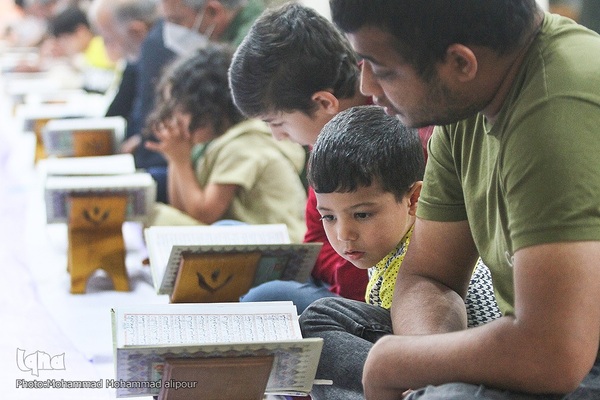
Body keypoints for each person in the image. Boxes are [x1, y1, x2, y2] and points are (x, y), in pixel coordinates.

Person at [300, 0, 600, 399]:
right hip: (527, 342)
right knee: (321, 325)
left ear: (460, 63)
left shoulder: (555, 111)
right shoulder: (466, 107)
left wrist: (405, 365)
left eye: (382, 68)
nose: (367, 86)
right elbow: (429, 275)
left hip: (573, 361)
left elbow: (553, 354)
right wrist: (423, 366)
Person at [229, 3, 371, 309]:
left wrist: (330, 267)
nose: (277, 136)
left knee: (264, 297)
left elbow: (365, 272)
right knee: (227, 235)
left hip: (367, 293)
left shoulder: (380, 138)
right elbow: (316, 235)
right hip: (337, 274)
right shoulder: (323, 135)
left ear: (324, 103)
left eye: (278, 123)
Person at [144, 44, 308, 243]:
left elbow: (204, 213)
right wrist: (175, 159)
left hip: (281, 243)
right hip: (249, 238)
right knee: (161, 219)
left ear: (208, 107)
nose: (175, 120)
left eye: (182, 110)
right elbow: (182, 210)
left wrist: (181, 161)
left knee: (159, 219)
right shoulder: (218, 144)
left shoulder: (244, 145)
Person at [124, 0, 265, 203]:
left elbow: (203, 213)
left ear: (213, 12)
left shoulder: (252, 49)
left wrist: (180, 159)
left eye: (177, 20)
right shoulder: (222, 43)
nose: (169, 32)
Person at [48, 5, 117, 93]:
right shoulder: (88, 52)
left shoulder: (102, 48)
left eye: (65, 39)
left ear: (80, 32)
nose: (63, 46)